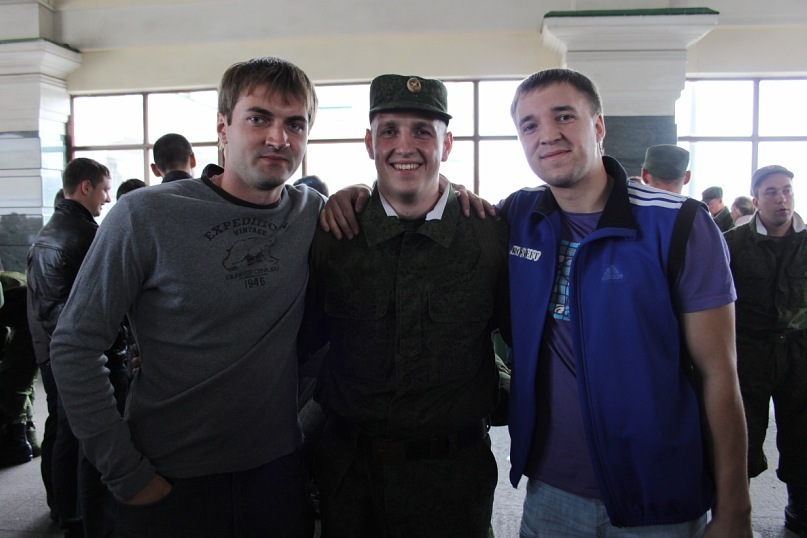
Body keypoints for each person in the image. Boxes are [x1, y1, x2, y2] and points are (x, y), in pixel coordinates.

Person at [48, 57, 324, 537]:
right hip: (169, 482)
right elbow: (75, 345)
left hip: (277, 477)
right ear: (222, 127)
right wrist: (125, 473)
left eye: (294, 124)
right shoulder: (144, 216)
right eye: (258, 118)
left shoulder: (311, 212)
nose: (278, 138)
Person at [502, 68, 751, 537]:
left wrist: (735, 509)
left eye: (564, 116)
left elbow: (720, 374)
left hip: (658, 492)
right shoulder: (518, 215)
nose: (547, 135)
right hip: (550, 489)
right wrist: (361, 196)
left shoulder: (679, 224)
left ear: (598, 126)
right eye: (529, 125)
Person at [301, 74, 509, 537]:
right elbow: (298, 345)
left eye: (422, 131)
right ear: (369, 143)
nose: (405, 146)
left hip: (455, 482)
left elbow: (527, 341)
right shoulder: (334, 235)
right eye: (390, 131)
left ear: (447, 144)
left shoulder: (487, 234)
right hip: (351, 481)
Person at [26, 157, 122, 536]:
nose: (107, 198)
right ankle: (81, 517)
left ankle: (61, 507)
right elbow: (102, 303)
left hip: (50, 350)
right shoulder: (85, 236)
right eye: (104, 190)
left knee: (62, 430)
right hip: (81, 354)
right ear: (86, 187)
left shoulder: (46, 233)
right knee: (86, 438)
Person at [723, 164, 807, 536]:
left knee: (803, 435)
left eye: (786, 190)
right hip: (748, 353)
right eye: (771, 192)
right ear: (756, 200)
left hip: (799, 355)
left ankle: (800, 510)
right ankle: (735, 514)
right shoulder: (732, 244)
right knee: (740, 436)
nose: (781, 198)